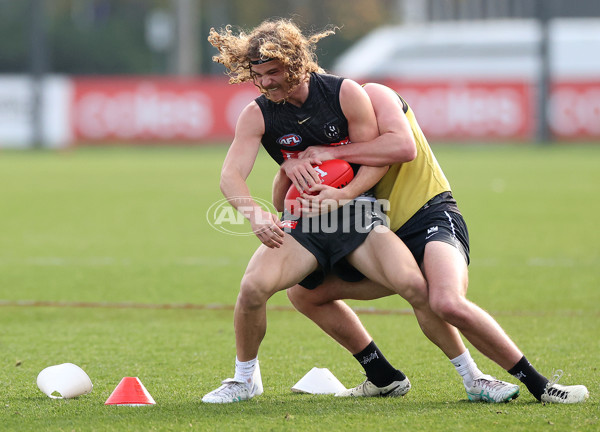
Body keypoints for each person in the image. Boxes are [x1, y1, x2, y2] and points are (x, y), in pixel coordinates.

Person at [285, 82, 590, 404]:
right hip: (384, 234)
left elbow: (404, 147)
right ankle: (382, 376)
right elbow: (290, 192)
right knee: (304, 294)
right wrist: (289, 167)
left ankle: (540, 386)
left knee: (446, 301)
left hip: (432, 215)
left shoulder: (374, 94)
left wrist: (333, 152)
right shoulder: (320, 128)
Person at [202, 18, 436, 404]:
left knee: (417, 287)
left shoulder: (343, 93)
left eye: (273, 73)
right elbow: (230, 176)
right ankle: (245, 379)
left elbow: (375, 159)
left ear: (295, 62)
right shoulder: (257, 114)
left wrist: (345, 197)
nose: (264, 83)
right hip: (303, 221)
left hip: (357, 212)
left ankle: (471, 374)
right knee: (253, 288)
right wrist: (258, 215)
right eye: (257, 75)